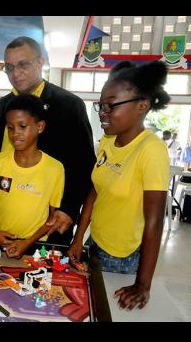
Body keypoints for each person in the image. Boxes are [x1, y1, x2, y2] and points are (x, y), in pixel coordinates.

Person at [68, 60, 170, 310]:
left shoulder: (151, 150)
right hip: (96, 243)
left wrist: (143, 285)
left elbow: (155, 222)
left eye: (110, 105)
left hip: (124, 255)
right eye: (101, 105)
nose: (103, 112)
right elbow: (95, 191)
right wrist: (79, 238)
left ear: (142, 106)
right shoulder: (107, 141)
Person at [0, 36, 96, 246]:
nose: (15, 73)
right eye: (9, 67)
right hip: (8, 219)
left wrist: (68, 210)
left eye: (23, 65)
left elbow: (84, 164)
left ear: (40, 62)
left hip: (51, 221)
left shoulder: (69, 105)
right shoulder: (3, 105)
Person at [0, 94, 64, 258]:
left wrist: (28, 242)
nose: (15, 134)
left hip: (35, 246)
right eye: (10, 127)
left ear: (39, 127)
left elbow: (53, 217)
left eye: (22, 126)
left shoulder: (55, 168)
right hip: (1, 242)